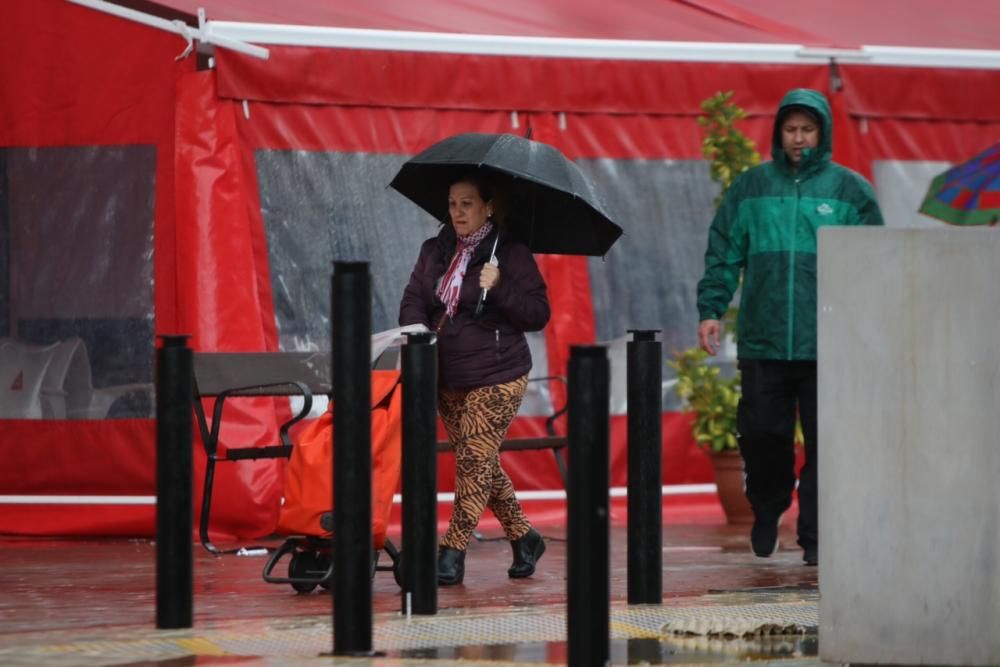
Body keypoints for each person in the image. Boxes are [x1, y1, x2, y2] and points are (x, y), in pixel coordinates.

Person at [696, 88, 884, 567]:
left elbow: (876, 263)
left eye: (808, 129)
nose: (799, 138)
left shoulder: (850, 191)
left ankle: (816, 536)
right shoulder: (752, 187)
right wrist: (711, 308)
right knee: (761, 436)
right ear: (779, 133)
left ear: (822, 134)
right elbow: (723, 250)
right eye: (791, 129)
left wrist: (870, 325)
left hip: (829, 343)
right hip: (764, 339)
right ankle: (768, 508)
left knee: (827, 444)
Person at [398, 171, 550, 585]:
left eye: (467, 203)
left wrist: (500, 286)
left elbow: (538, 314)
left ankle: (453, 551)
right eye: (452, 203)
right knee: (480, 461)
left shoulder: (511, 253)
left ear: (488, 206)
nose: (458, 211)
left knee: (472, 460)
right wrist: (416, 332)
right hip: (444, 373)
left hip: (498, 374)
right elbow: (414, 298)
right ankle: (525, 537)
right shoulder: (434, 249)